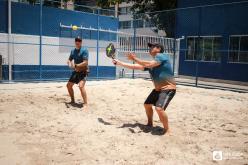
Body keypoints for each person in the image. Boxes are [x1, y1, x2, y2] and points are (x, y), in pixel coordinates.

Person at [113, 43, 176, 135]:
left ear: (158, 49)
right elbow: (136, 66)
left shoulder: (162, 56)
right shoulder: (153, 63)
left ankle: (167, 129)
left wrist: (134, 59)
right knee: (147, 105)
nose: (149, 48)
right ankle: (150, 123)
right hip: (158, 89)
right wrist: (120, 63)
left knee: (159, 109)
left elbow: (149, 64)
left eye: (152, 47)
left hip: (168, 88)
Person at [67, 37, 89, 110]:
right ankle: (72, 101)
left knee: (81, 86)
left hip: (84, 71)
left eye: (79, 41)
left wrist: (76, 65)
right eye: (76, 40)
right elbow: (69, 60)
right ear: (75, 42)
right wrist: (69, 63)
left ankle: (85, 104)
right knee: (69, 86)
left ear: (81, 42)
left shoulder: (84, 50)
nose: (77, 42)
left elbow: (86, 62)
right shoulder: (73, 51)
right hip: (76, 71)